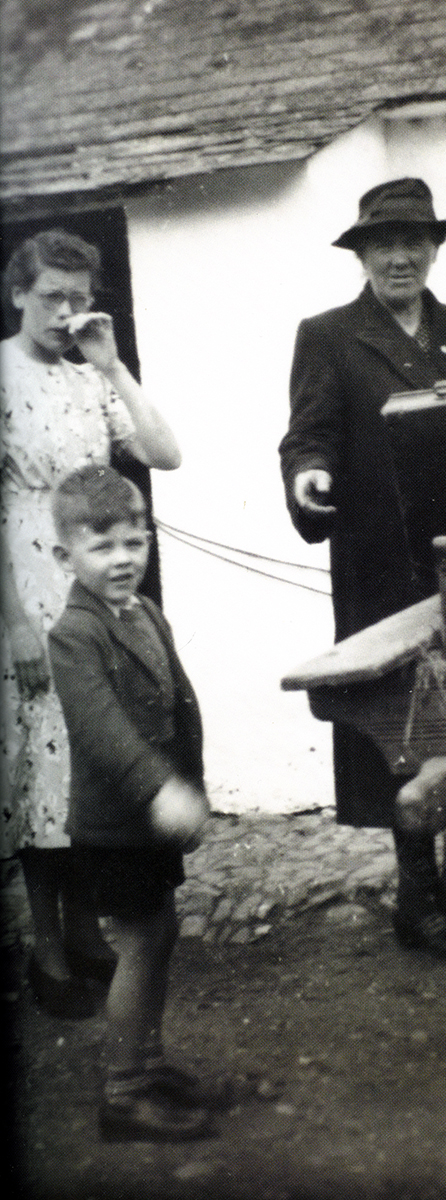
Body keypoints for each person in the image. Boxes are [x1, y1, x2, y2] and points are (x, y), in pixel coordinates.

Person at [279, 178, 446, 955]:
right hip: (378, 560)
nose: (399, 257)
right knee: (402, 720)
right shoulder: (329, 335)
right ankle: (419, 892)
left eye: (412, 242)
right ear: (361, 255)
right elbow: (308, 433)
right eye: (382, 245)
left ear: (433, 250)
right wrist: (307, 475)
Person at [0, 228, 181, 1018]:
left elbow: (165, 453)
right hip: (25, 587)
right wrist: (12, 624)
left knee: (89, 758)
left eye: (79, 298)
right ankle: (45, 949)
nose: (64, 312)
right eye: (50, 297)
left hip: (91, 584)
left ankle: (84, 933)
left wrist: (110, 363)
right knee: (43, 767)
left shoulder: (87, 379)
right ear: (17, 293)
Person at [48, 465, 215, 1141]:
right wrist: (162, 788)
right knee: (139, 945)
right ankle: (123, 1095)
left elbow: (181, 703)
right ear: (66, 555)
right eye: (102, 546)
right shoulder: (73, 636)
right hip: (116, 825)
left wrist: (194, 783)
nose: (123, 560)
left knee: (162, 932)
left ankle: (146, 1064)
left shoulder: (146, 612)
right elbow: (105, 735)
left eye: (133, 542)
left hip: (155, 821)